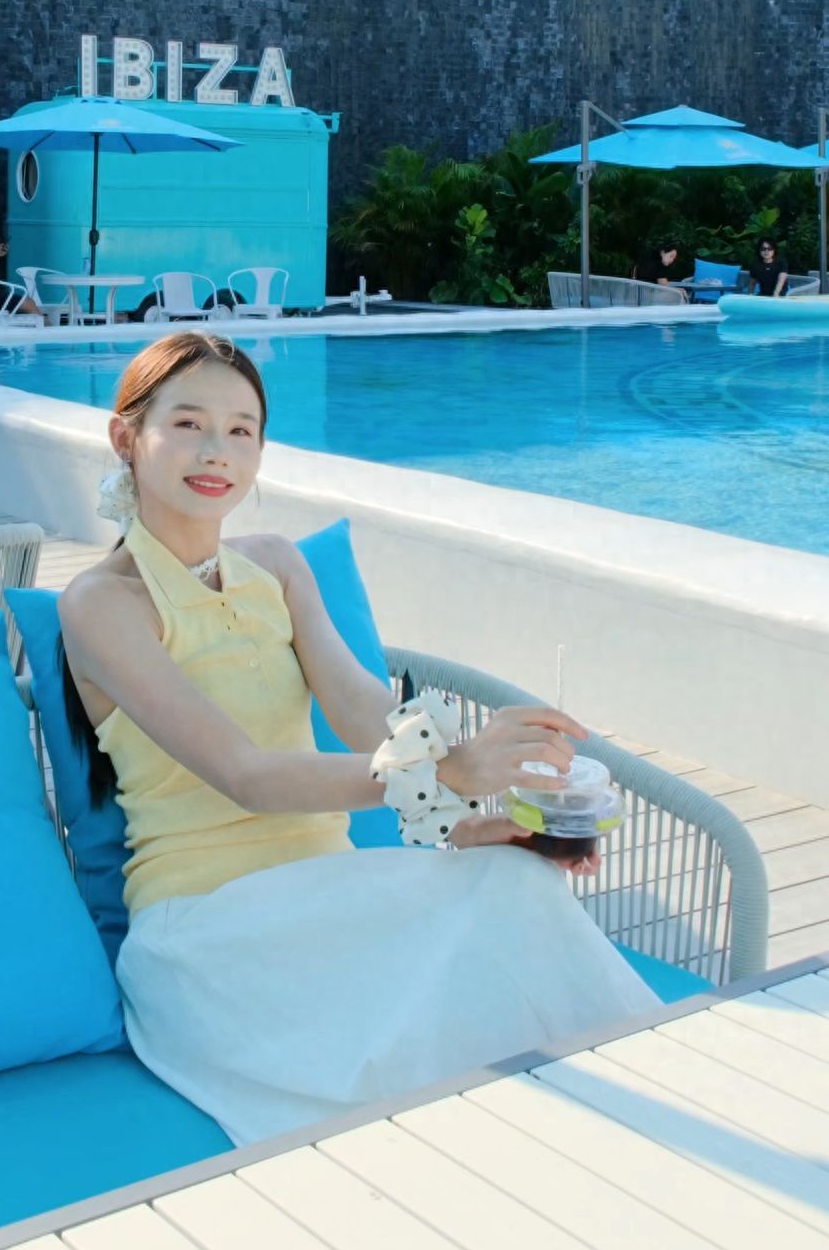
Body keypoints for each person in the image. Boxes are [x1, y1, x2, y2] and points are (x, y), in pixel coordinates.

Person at [58, 333, 656, 1147]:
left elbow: (366, 712)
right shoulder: (101, 603)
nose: (216, 451)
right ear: (127, 437)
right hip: (208, 933)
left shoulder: (275, 564)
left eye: (242, 430)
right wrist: (449, 767)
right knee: (407, 1087)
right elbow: (250, 775)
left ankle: (638, 1125)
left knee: (518, 886)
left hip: (331, 895)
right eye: (188, 423)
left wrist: (468, 816)